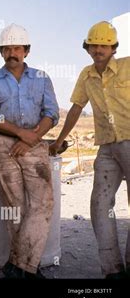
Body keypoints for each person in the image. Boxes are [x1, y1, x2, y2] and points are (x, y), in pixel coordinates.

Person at [0, 24, 59, 278]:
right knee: (15, 203)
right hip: (1, 142)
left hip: (34, 141)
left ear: (26, 50)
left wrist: (31, 137)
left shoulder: (42, 77)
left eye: (17, 48)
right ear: (1, 52)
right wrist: (19, 133)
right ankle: (26, 269)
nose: (12, 52)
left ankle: (19, 266)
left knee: (43, 202)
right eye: (7, 48)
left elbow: (51, 113)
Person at [50, 21, 130, 279]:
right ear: (87, 48)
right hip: (107, 146)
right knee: (99, 204)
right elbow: (76, 108)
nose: (99, 49)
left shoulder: (128, 67)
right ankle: (113, 270)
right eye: (94, 45)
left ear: (113, 47)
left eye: (104, 45)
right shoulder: (86, 75)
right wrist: (59, 140)